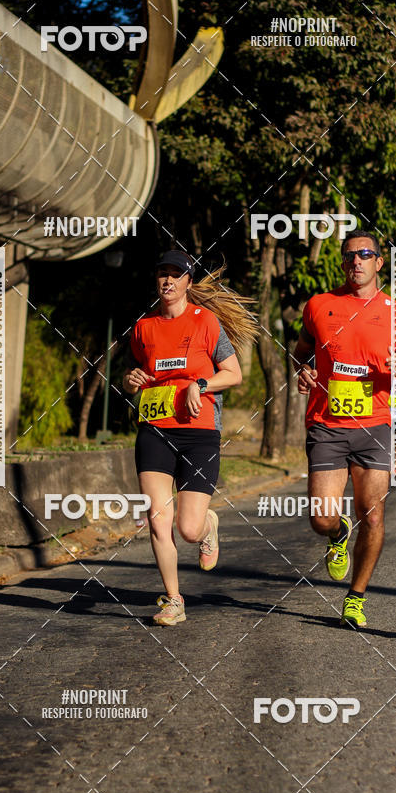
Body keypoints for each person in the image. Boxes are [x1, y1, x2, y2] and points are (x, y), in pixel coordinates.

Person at [123, 251, 257, 626]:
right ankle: (174, 600)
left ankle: (207, 528)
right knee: (157, 519)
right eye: (162, 274)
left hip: (199, 434)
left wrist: (201, 383)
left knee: (188, 528)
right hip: (154, 428)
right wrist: (132, 381)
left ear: (188, 283)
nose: (167, 281)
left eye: (175, 275)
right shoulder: (143, 326)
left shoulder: (206, 322)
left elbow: (233, 374)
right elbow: (138, 372)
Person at [293, 229, 396, 629]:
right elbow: (301, 352)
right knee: (321, 518)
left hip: (375, 425)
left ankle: (355, 599)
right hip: (327, 425)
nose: (355, 261)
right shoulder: (320, 305)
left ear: (379, 262)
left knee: (372, 517)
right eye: (349, 256)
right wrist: (302, 370)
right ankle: (338, 534)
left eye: (365, 254)